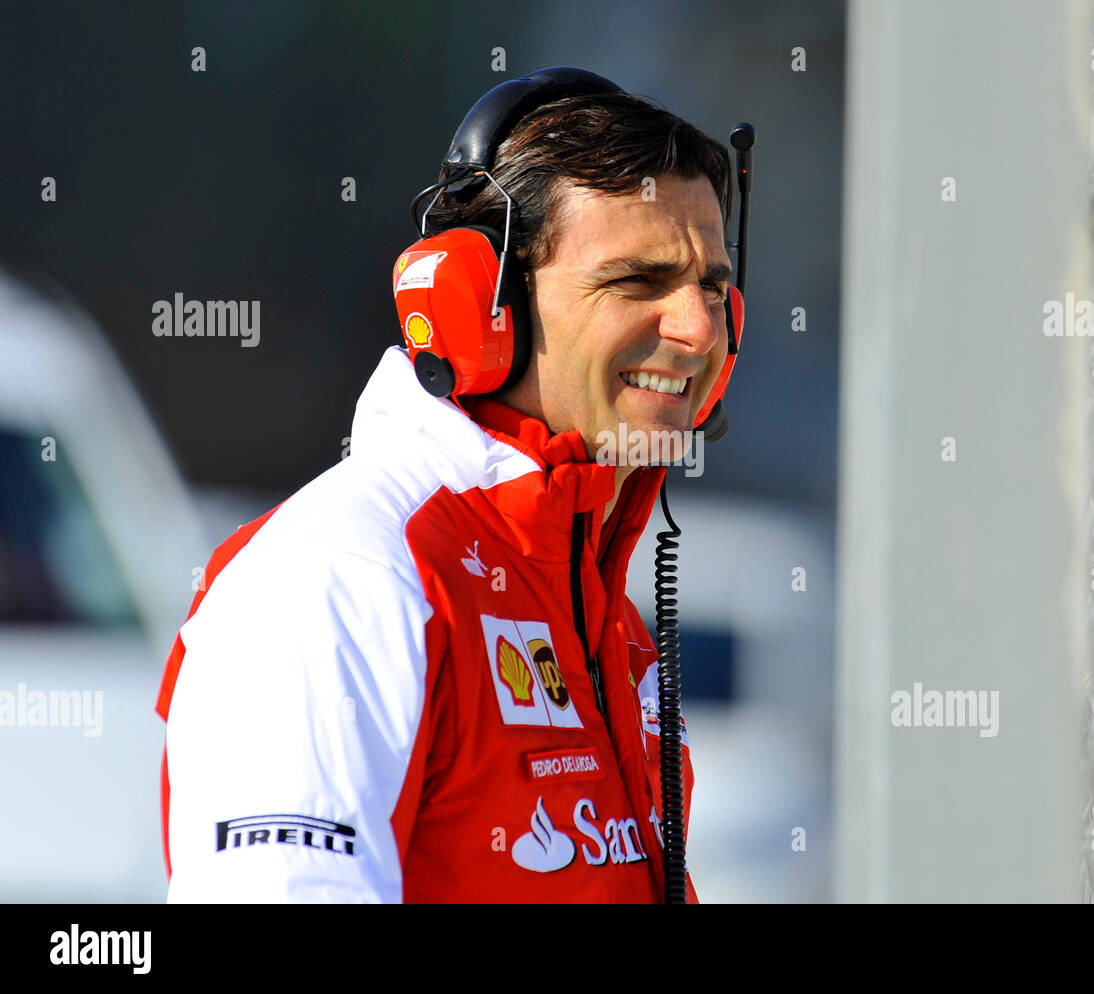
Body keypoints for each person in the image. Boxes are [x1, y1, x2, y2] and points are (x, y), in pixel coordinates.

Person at [153, 68, 743, 903]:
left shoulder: (592, 600)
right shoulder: (340, 577)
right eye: (637, 281)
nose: (697, 328)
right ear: (483, 305)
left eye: (713, 287)